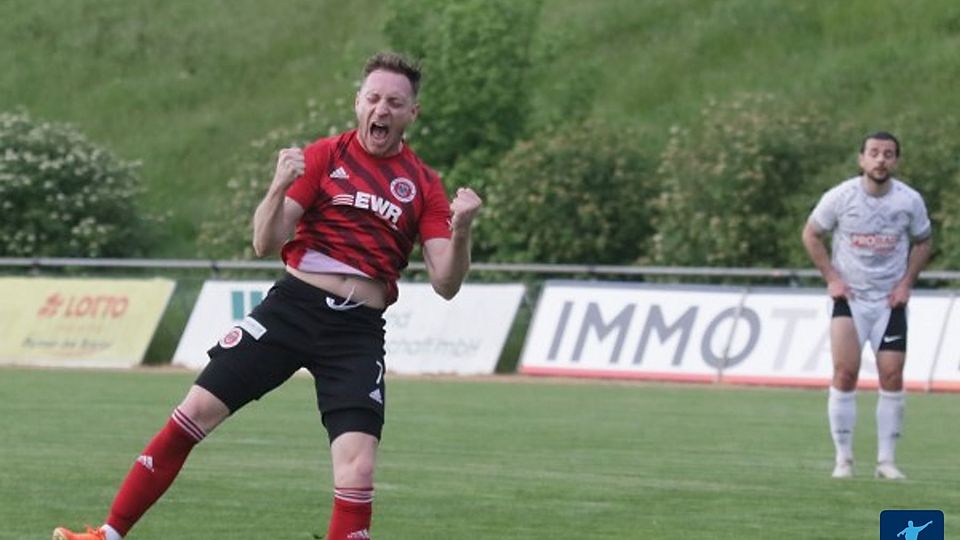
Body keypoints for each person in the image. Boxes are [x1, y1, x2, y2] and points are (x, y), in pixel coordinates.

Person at [53, 51, 482, 540]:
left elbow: (446, 283)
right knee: (193, 413)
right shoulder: (325, 156)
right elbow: (265, 241)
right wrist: (278, 185)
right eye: (373, 98)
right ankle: (107, 534)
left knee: (357, 469)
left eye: (394, 102)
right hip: (292, 308)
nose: (381, 109)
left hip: (356, 331)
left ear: (412, 114)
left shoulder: (424, 185)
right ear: (357, 103)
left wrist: (462, 228)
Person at [801, 131, 931, 480]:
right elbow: (811, 234)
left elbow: (923, 241)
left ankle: (886, 462)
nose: (880, 160)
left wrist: (906, 283)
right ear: (861, 159)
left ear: (896, 161)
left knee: (892, 374)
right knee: (845, 372)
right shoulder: (841, 197)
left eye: (888, 154)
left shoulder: (909, 200)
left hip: (890, 301)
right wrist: (832, 277)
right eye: (873, 153)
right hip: (851, 298)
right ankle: (843, 460)